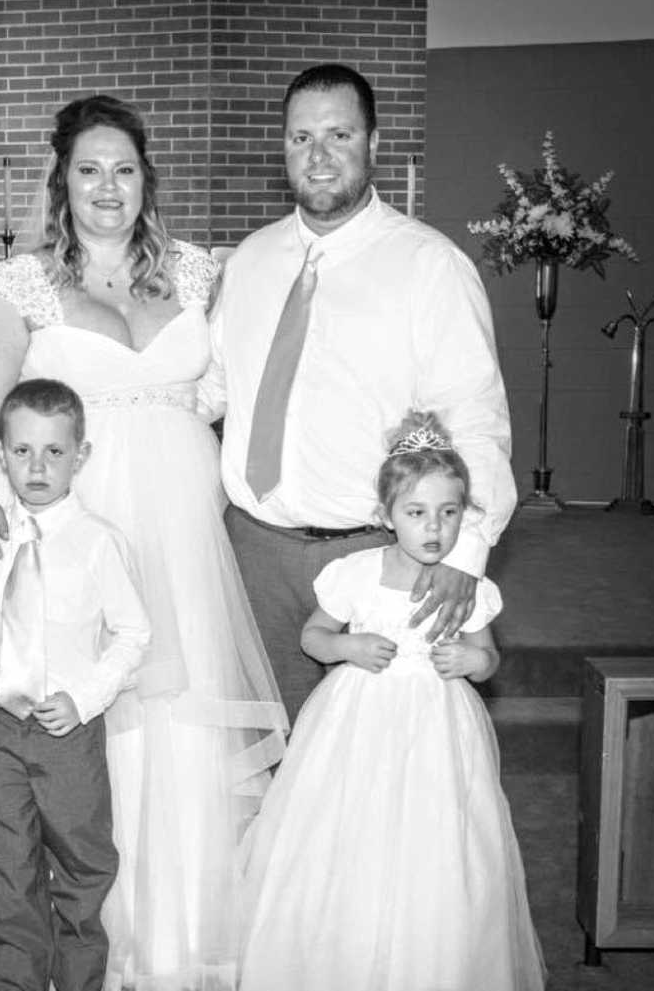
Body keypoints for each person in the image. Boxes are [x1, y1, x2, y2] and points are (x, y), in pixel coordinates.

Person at [0, 95, 287, 991]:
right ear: (62, 180)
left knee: (167, 709)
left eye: (125, 168)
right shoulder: (15, 287)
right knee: (52, 710)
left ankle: (161, 932)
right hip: (58, 524)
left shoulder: (198, 274)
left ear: (147, 179)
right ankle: (23, 943)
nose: (108, 186)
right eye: (89, 168)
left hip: (176, 534)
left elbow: (223, 393)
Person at [198, 63, 518, 721]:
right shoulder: (249, 262)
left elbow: (474, 414)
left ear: (373, 145)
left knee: (370, 765)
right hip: (254, 548)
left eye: (338, 136)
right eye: (299, 138)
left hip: (377, 557)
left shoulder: (429, 264)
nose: (317, 157)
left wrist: (465, 549)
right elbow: (212, 392)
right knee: (264, 749)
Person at [238, 411, 547, 991]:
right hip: (358, 723)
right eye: (416, 513)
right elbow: (313, 636)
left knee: (436, 838)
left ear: (465, 515)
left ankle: (432, 960)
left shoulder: (470, 588)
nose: (435, 528)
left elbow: (488, 656)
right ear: (384, 517)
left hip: (437, 725)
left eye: (449, 513)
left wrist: (474, 662)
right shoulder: (354, 572)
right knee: (348, 833)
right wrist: (348, 645)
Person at [0, 379, 150, 991]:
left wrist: (84, 699)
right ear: (1, 455)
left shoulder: (99, 542)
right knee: (10, 868)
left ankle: (82, 981)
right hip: (3, 731)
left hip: (69, 734)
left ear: (80, 456)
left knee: (83, 867)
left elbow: (133, 635)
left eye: (54, 452)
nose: (37, 467)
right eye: (22, 451)